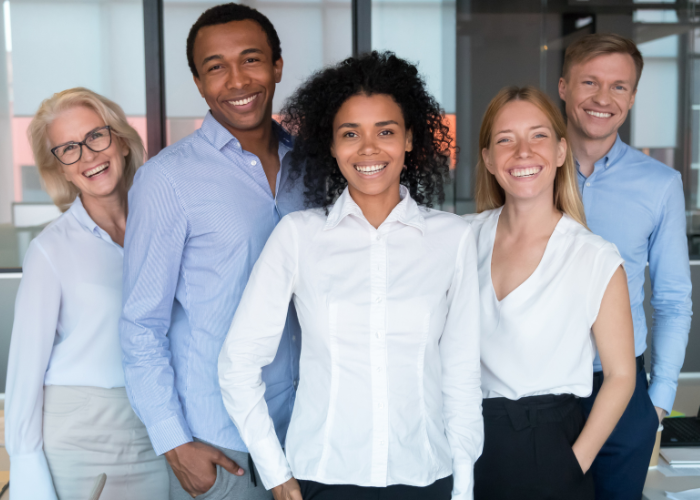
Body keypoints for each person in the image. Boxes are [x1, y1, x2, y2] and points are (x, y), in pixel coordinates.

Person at [218, 51, 483, 500]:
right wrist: (277, 473)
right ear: (333, 145)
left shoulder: (452, 239)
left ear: (409, 139)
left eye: (385, 131)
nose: (368, 148)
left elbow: (461, 374)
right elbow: (237, 364)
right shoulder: (299, 237)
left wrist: (463, 486)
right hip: (323, 477)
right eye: (350, 134)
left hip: (423, 476)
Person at [119, 3, 305, 500]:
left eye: (251, 59)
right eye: (215, 67)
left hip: (307, 435)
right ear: (199, 84)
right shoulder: (167, 180)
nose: (237, 80)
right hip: (222, 447)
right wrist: (174, 442)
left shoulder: (316, 169)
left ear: (277, 66)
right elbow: (141, 324)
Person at [466, 86, 637, 499]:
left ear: (562, 152)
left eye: (538, 136)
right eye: (505, 139)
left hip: (549, 449)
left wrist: (573, 461)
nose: (523, 152)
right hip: (464, 438)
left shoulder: (593, 256)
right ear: (488, 158)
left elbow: (620, 376)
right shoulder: (463, 239)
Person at [5, 88, 168, 500]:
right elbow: (24, 377)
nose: (88, 156)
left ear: (120, 140)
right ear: (59, 169)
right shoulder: (50, 249)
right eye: (68, 149)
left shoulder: (165, 227)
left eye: (96, 136)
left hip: (157, 425)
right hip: (80, 436)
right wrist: (30, 488)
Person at [558, 33, 693, 499]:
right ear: (563, 87)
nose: (603, 98)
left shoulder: (660, 184)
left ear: (633, 97)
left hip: (624, 386)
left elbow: (673, 299)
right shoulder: (529, 170)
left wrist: (657, 403)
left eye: (619, 86)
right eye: (589, 82)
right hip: (539, 388)